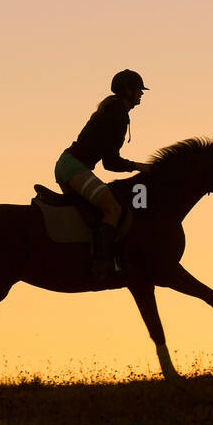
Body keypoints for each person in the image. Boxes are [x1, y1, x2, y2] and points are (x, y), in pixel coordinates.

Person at [54, 70, 151, 279]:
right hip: (74, 167)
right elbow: (110, 163)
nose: (141, 95)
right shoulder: (118, 115)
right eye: (138, 91)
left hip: (67, 165)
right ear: (128, 91)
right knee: (113, 208)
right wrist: (138, 166)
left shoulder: (112, 109)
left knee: (90, 213)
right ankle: (102, 264)